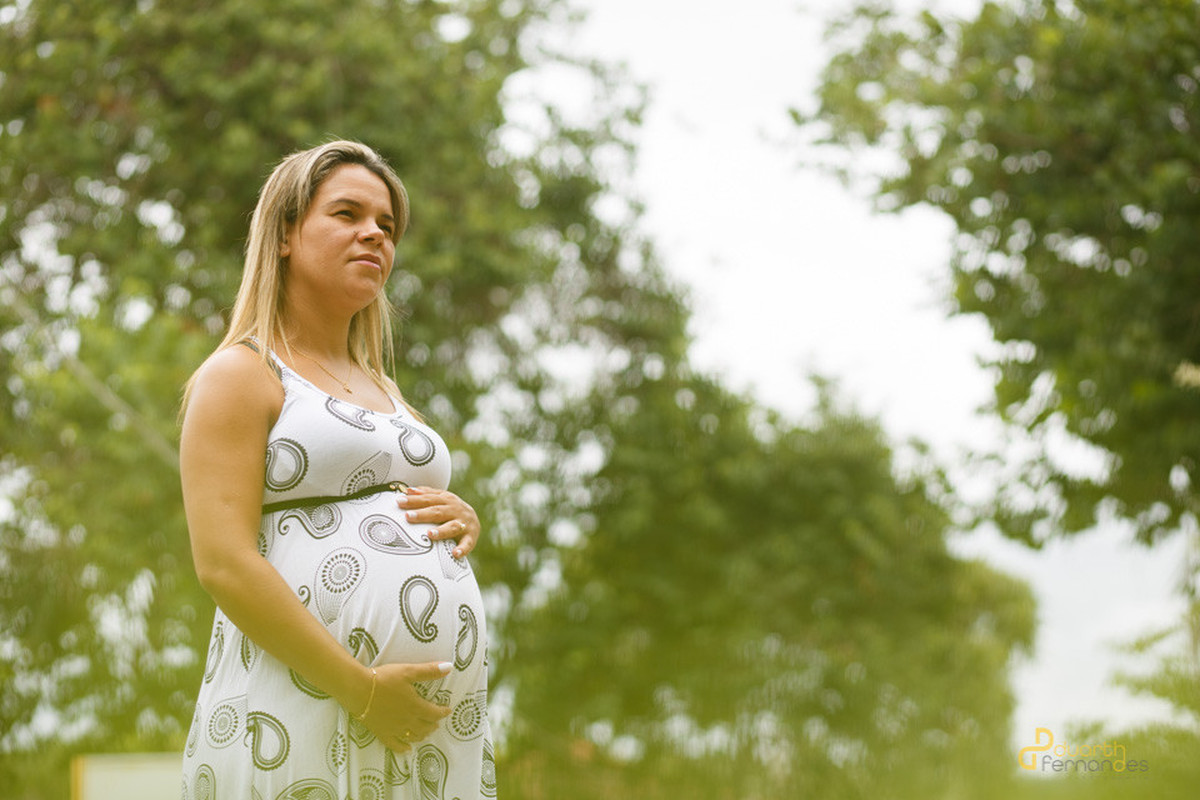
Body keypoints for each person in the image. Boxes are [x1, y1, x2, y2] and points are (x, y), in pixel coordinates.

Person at [178, 140, 495, 799]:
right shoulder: (242, 373)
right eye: (347, 214)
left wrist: (460, 516)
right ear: (287, 232)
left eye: (386, 225)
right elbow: (223, 564)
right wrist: (362, 690)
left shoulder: (384, 387)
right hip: (308, 704)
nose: (373, 234)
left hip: (427, 731)